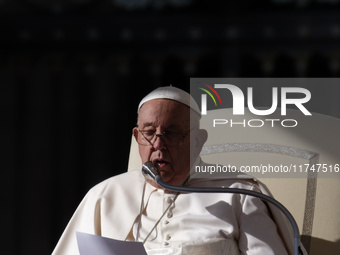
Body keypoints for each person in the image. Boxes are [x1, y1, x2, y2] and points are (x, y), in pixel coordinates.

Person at [52, 86, 295, 255]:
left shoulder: (240, 195)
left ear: (199, 141)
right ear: (137, 137)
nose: (158, 144)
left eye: (172, 133)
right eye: (149, 133)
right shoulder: (104, 196)